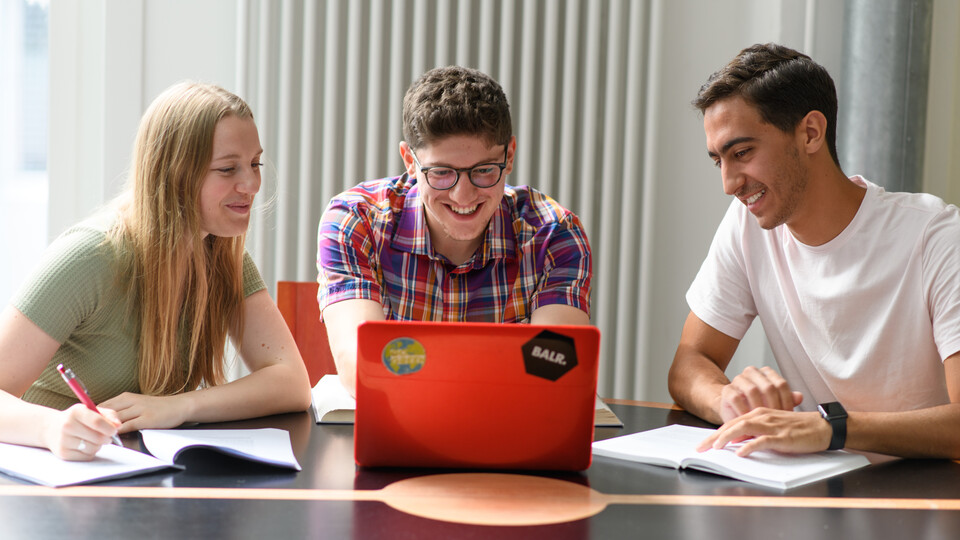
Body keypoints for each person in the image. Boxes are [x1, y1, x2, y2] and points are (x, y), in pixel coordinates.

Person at [668, 43, 960, 459]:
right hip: (818, 490)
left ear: (810, 133)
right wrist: (728, 400)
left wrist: (830, 428)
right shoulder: (747, 226)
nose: (729, 184)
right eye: (719, 160)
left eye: (743, 153)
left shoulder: (938, 236)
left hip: (923, 503)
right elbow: (689, 361)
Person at [0, 82, 311, 461]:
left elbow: (292, 382)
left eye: (255, 163)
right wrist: (50, 428)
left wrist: (179, 406)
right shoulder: (90, 256)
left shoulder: (220, 253)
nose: (251, 184)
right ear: (174, 172)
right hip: (58, 477)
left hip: (137, 473)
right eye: (228, 168)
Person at [317, 66, 592, 395]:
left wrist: (412, 366)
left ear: (510, 155)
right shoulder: (355, 222)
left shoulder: (553, 234)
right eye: (442, 172)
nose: (464, 196)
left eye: (485, 170)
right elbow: (359, 365)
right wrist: (505, 367)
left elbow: (553, 370)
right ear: (409, 160)